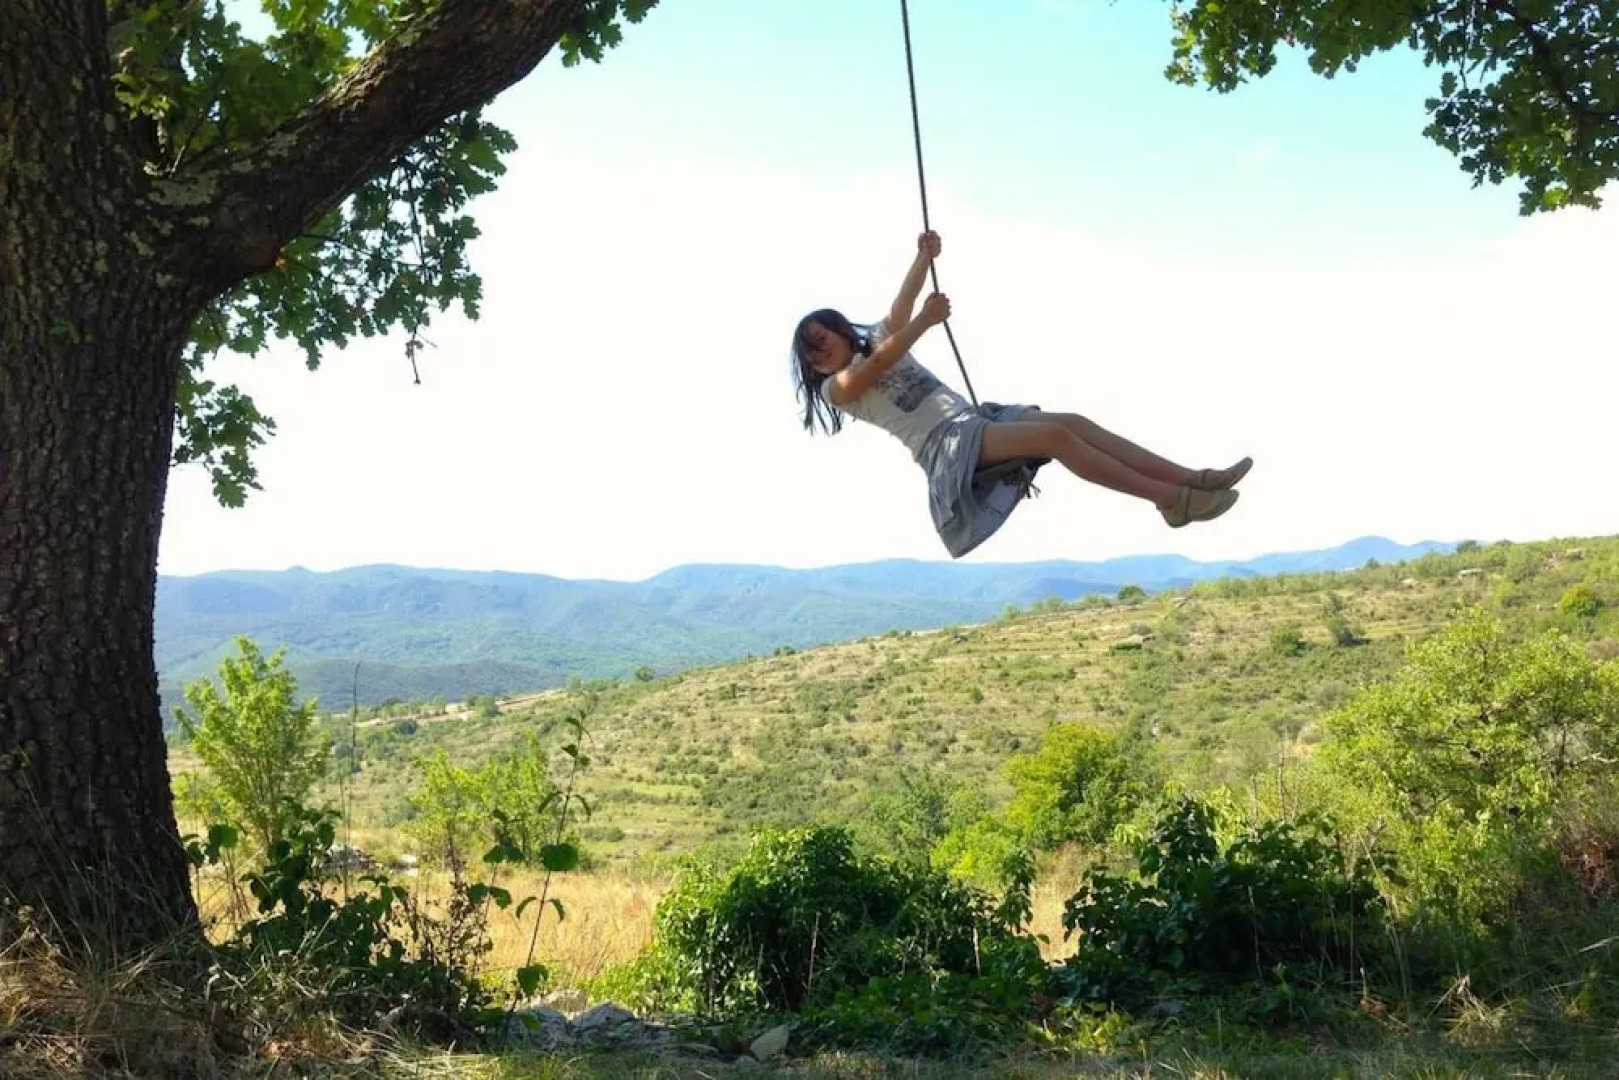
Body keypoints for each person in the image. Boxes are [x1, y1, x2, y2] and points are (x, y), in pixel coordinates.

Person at [789, 230, 1251, 558]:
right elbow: (880, 363)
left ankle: (1194, 478)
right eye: (810, 355)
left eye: (821, 342)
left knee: (1071, 423)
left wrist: (922, 259)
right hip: (945, 447)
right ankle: (1168, 499)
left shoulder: (876, 335)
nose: (818, 356)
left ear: (840, 331)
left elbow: (898, 310)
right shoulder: (837, 389)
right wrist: (924, 324)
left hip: (973, 422)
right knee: (1056, 438)